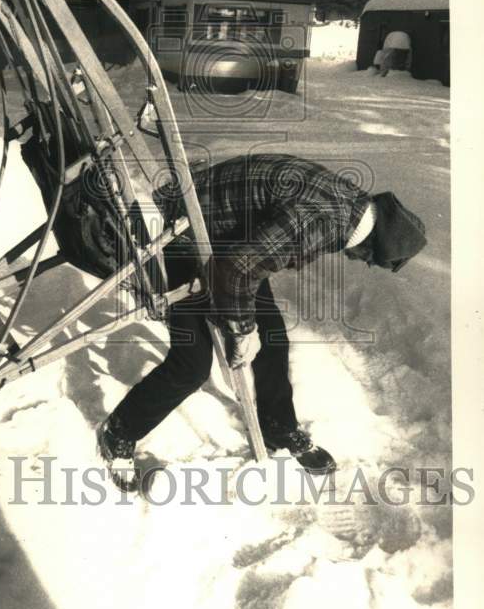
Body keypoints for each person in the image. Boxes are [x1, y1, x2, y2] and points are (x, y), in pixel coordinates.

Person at [94, 153, 427, 491]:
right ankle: (119, 431)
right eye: (371, 261)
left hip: (220, 231)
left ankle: (277, 425)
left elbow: (252, 256)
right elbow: (238, 267)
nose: (363, 264)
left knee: (273, 337)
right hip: (188, 236)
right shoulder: (323, 222)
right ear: (369, 248)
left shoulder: (351, 203)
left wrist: (250, 326)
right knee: (191, 364)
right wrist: (242, 330)